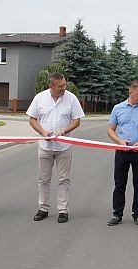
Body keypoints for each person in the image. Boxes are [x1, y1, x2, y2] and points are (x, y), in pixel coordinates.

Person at [26, 72, 85, 223]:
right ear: (51, 86)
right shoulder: (40, 98)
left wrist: (64, 130)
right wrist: (42, 132)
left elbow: (77, 120)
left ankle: (63, 210)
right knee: (43, 178)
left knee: (63, 178)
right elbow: (32, 119)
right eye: (60, 86)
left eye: (64, 85)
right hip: (45, 146)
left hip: (64, 146)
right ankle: (43, 208)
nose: (63, 88)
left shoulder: (71, 98)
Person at [107, 80, 138, 228]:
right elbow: (110, 129)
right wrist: (119, 141)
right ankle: (117, 214)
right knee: (119, 183)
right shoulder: (118, 108)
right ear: (130, 92)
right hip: (122, 151)